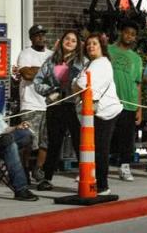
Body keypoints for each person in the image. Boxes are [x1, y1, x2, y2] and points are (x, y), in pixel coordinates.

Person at [33, 30, 85, 191]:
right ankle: (47, 178)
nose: (69, 42)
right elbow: (37, 81)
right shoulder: (50, 61)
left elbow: (86, 82)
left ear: (78, 45)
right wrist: (50, 91)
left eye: (73, 40)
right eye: (67, 39)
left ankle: (87, 176)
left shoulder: (82, 62)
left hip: (74, 106)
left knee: (79, 142)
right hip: (55, 106)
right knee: (53, 143)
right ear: (61, 41)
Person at [73, 33, 123, 195]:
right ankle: (95, 182)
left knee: (100, 149)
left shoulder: (102, 63)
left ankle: (103, 185)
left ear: (102, 46)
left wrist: (79, 86)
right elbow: (77, 84)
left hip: (104, 112)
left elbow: (82, 84)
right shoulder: (90, 64)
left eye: (94, 43)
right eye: (88, 44)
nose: (91, 46)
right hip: (94, 113)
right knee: (94, 149)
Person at [13, 25, 52, 183]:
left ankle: (38, 168)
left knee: (46, 141)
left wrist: (37, 70)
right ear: (31, 38)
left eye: (43, 35)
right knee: (27, 140)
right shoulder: (25, 53)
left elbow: (57, 74)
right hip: (30, 104)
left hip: (49, 103)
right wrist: (45, 70)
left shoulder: (52, 54)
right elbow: (27, 74)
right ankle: (24, 170)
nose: (41, 38)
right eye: (37, 35)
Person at [107, 22, 142, 182]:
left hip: (129, 103)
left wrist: (139, 108)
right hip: (108, 102)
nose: (129, 36)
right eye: (127, 32)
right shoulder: (108, 50)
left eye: (133, 34)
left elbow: (138, 83)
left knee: (127, 137)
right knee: (105, 136)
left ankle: (125, 166)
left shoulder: (136, 58)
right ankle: (99, 166)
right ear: (121, 32)